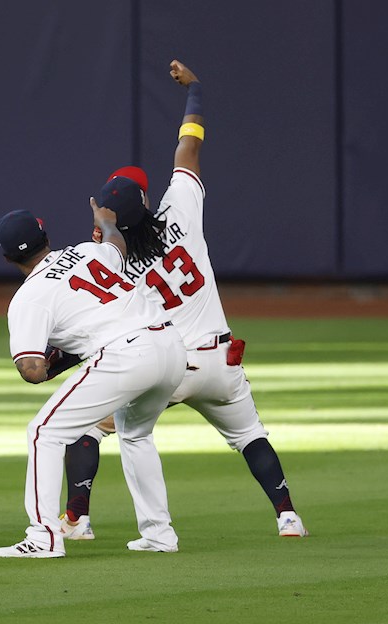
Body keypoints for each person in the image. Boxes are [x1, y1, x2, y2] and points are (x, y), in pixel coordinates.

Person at [60, 59, 309, 541]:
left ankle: (82, 519)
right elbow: (189, 143)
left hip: (170, 366)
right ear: (147, 205)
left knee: (97, 426)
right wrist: (194, 90)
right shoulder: (182, 207)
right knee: (250, 435)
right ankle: (287, 516)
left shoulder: (113, 261)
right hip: (222, 358)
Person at [0, 193, 187, 558]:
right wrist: (103, 220)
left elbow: (32, 370)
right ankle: (160, 535)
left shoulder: (28, 298)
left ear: (7, 258)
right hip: (171, 344)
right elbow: (117, 243)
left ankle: (44, 537)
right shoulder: (86, 251)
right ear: (46, 237)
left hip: (126, 354)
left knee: (44, 432)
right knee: (136, 434)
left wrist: (58, 360)